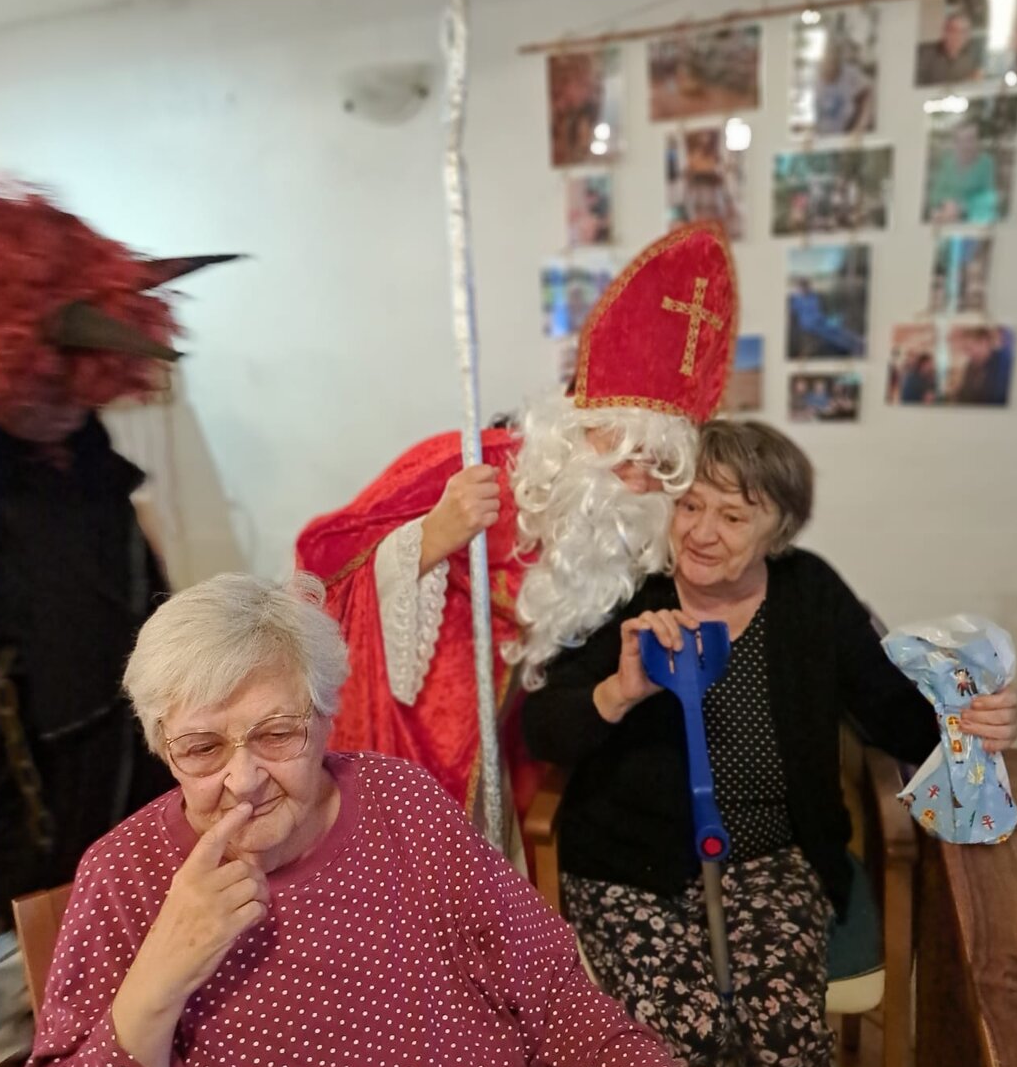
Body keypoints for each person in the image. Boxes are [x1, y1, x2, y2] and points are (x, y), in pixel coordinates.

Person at [14, 572, 784, 1067]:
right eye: (203, 748)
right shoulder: (126, 882)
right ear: (162, 744)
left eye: (276, 734)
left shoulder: (402, 808)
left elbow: (547, 992)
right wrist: (158, 981)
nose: (242, 780)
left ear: (324, 716)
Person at [520, 420, 1017, 1067]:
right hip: (630, 861)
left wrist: (967, 718)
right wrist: (620, 689)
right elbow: (543, 727)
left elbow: (892, 714)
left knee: (782, 1010)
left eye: (735, 515)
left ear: (777, 530)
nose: (703, 532)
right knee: (677, 1030)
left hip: (771, 854)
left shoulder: (808, 594)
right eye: (692, 506)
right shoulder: (627, 590)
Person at [0, 185, 237, 992]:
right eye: (53, 383)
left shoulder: (78, 468)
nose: (75, 405)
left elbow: (136, 637)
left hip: (111, 853)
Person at [295, 225, 737, 827]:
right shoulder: (466, 465)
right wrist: (429, 540)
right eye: (621, 452)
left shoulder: (631, 538)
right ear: (574, 425)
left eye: (658, 466)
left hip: (511, 762)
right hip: (403, 747)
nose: (636, 482)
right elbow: (322, 566)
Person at [927, 119, 999, 224]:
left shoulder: (986, 163)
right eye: (962, 140)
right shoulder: (947, 161)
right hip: (947, 215)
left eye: (972, 139)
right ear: (955, 143)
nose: (967, 145)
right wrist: (947, 203)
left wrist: (961, 207)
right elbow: (935, 194)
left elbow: (989, 197)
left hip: (975, 217)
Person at [812, 37, 873, 136]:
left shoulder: (850, 74)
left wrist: (861, 126)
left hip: (845, 134)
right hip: (823, 135)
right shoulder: (817, 76)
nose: (828, 69)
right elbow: (816, 112)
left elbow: (868, 92)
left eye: (832, 63)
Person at [916, 4, 984, 86]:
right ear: (944, 32)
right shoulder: (924, 54)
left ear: (967, 36)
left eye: (963, 32)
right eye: (953, 30)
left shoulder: (972, 59)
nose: (958, 36)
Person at [952, 325, 1012, 406]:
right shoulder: (971, 365)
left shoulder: (1004, 362)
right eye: (966, 350)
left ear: (984, 342)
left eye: (969, 348)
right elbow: (964, 395)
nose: (968, 354)